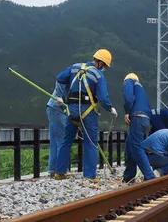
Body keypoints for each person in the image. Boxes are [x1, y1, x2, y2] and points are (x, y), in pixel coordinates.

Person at [47, 48, 116, 179]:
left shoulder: (75, 67)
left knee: (66, 141)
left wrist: (60, 96)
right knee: (90, 143)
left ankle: (60, 173)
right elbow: (102, 97)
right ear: (100, 63)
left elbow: (60, 78)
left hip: (72, 111)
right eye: (105, 66)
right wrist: (110, 108)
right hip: (88, 112)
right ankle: (89, 175)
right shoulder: (98, 75)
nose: (104, 68)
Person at [121, 72, 155, 182]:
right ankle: (129, 176)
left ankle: (149, 176)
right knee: (130, 147)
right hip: (146, 120)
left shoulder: (129, 81)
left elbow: (128, 98)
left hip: (137, 117)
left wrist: (127, 112)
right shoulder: (141, 89)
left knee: (136, 147)